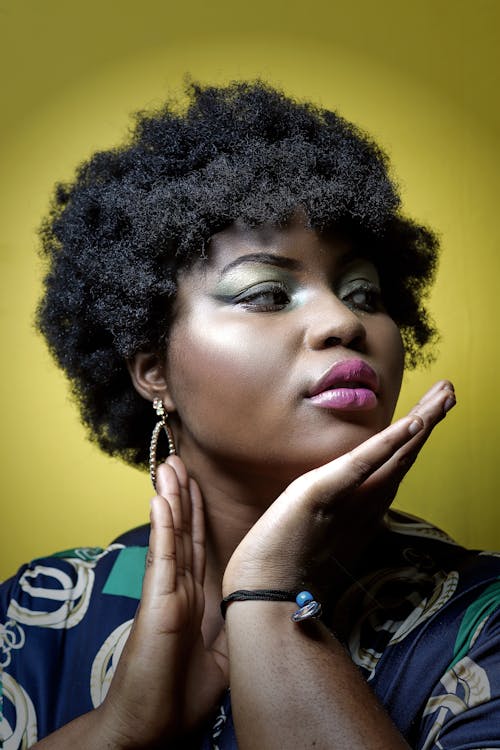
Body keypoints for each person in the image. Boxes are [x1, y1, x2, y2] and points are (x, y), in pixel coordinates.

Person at [1, 80, 499, 750]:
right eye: (267, 293)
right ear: (152, 370)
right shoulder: (39, 612)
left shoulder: (481, 615)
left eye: (363, 292)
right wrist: (119, 730)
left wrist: (266, 594)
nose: (342, 321)